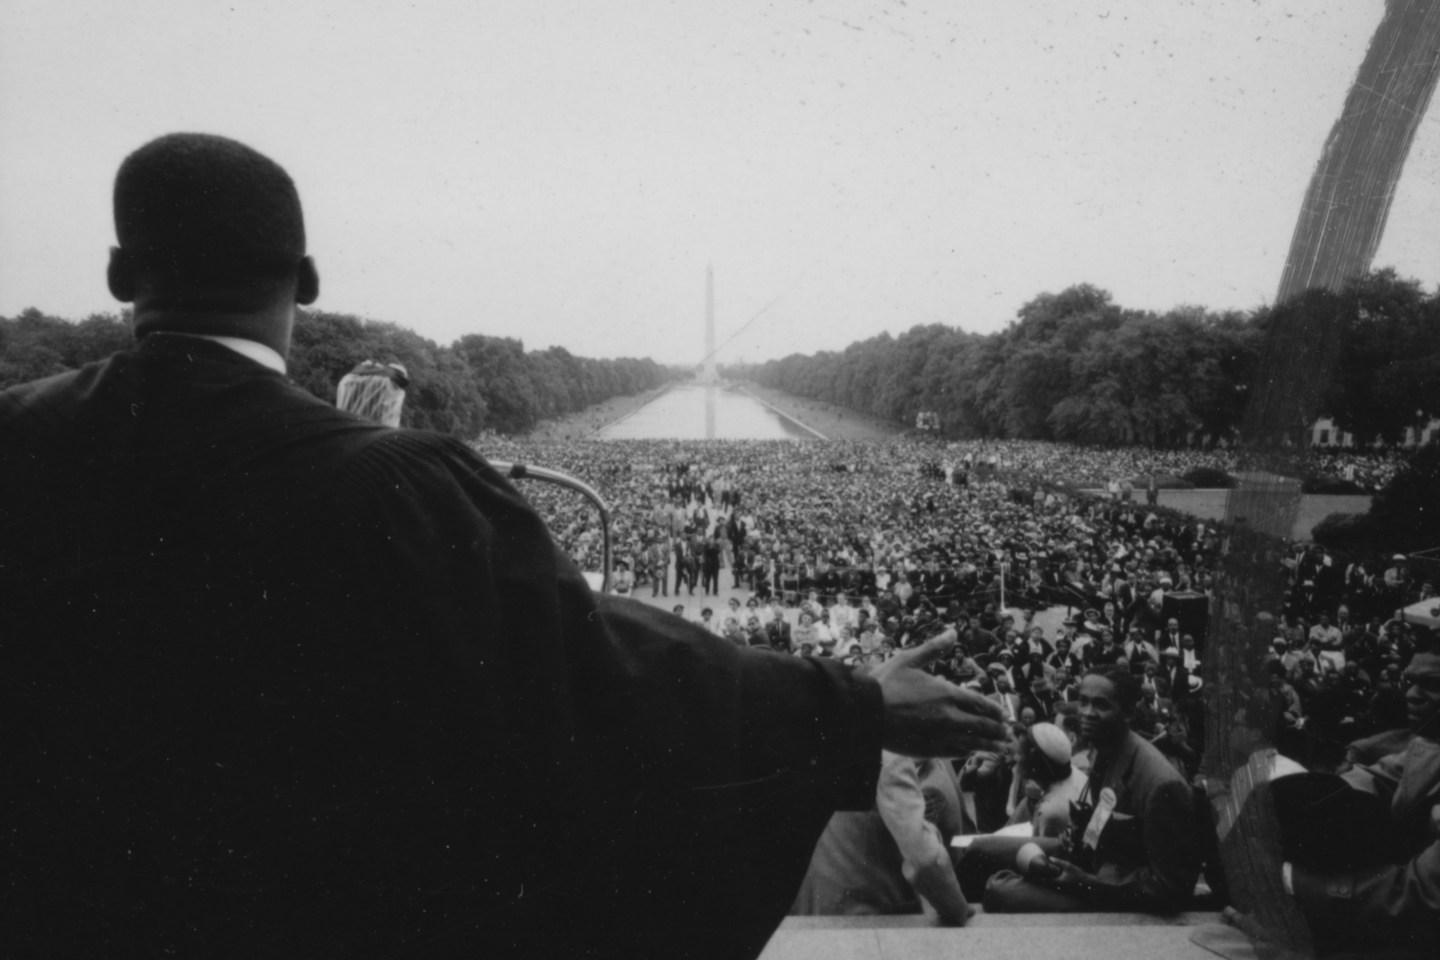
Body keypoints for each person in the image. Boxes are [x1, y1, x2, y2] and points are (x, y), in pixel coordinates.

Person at [0, 133, 1009, 959]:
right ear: (303, 280)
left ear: (120, 272)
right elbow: (595, 676)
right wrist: (858, 704)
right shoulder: (392, 482)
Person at [983, 665, 1200, 913]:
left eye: (1101, 705)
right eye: (1083, 701)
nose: (1086, 713)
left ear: (1128, 713)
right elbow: (1105, 823)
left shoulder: (1162, 784)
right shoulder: (1104, 749)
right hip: (1091, 864)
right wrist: (1081, 835)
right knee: (982, 851)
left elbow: (1171, 890)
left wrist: (1086, 884)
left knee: (998, 891)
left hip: (1112, 891)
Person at [1284, 645, 1440, 953]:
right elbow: (1376, 779)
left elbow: (1420, 893)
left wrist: (1294, 882)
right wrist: (1293, 801)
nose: (1411, 696)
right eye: (1411, 682)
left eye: (1433, 685)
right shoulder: (1429, 744)